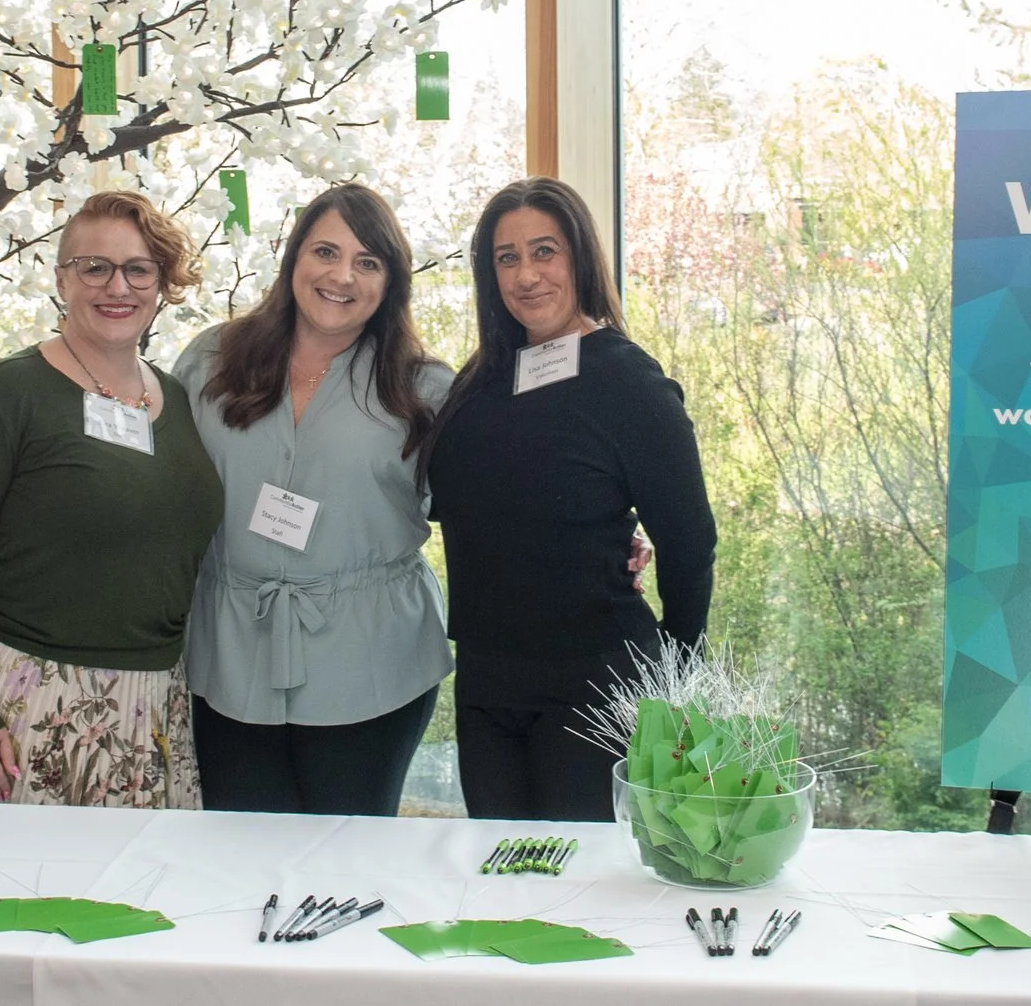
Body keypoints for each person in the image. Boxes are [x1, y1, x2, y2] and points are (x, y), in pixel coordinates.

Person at [420, 176, 716, 821]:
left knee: (578, 893)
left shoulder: (626, 379)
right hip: (487, 680)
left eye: (544, 251)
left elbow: (692, 542)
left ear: (580, 255)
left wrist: (675, 681)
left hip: (594, 681)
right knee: (501, 880)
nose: (527, 275)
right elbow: (467, 505)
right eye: (507, 257)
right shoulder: (483, 380)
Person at [0, 189, 224, 807]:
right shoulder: (6, 393)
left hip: (155, 704)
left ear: (160, 283)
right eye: (95, 267)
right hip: (30, 702)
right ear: (63, 278)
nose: (119, 287)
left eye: (139, 269)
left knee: (137, 897)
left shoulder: (176, 398)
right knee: (22, 896)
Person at [176, 184, 453, 815]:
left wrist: (607, 537)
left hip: (372, 655)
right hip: (229, 651)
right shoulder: (211, 361)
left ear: (391, 281)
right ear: (294, 257)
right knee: (239, 852)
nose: (341, 276)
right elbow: (154, 480)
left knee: (347, 853)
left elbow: (493, 506)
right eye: (326, 251)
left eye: (367, 262)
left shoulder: (424, 388)